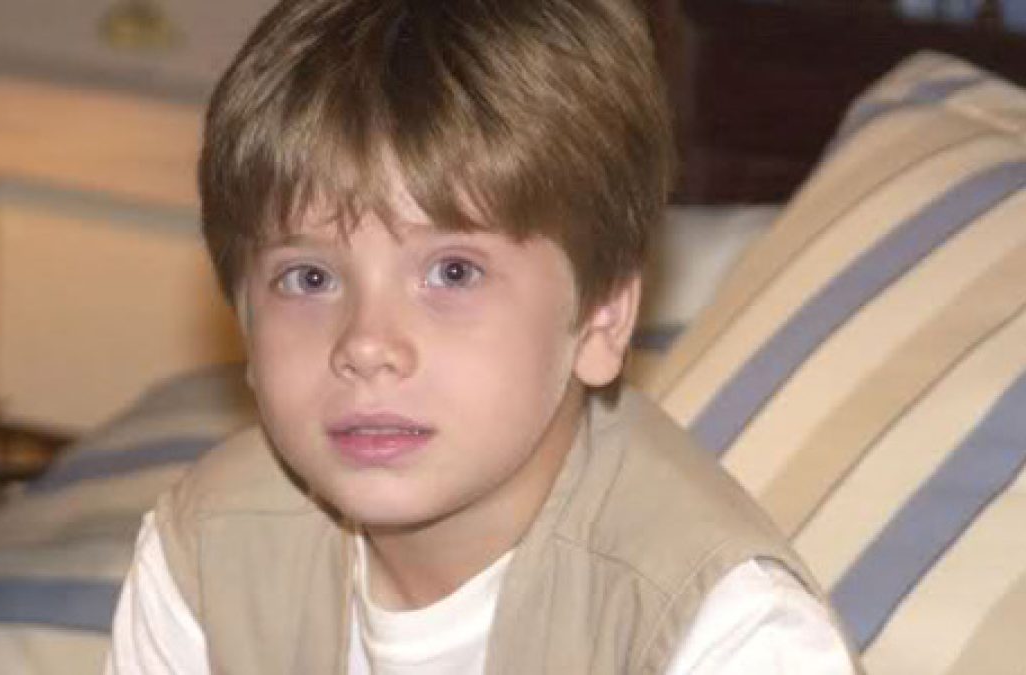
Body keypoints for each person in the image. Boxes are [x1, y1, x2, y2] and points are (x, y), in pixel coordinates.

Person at [106, 0, 859, 672]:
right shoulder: (204, 553)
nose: (365, 344)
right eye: (308, 278)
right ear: (243, 319)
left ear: (601, 316)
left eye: (454, 272)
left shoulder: (728, 633)